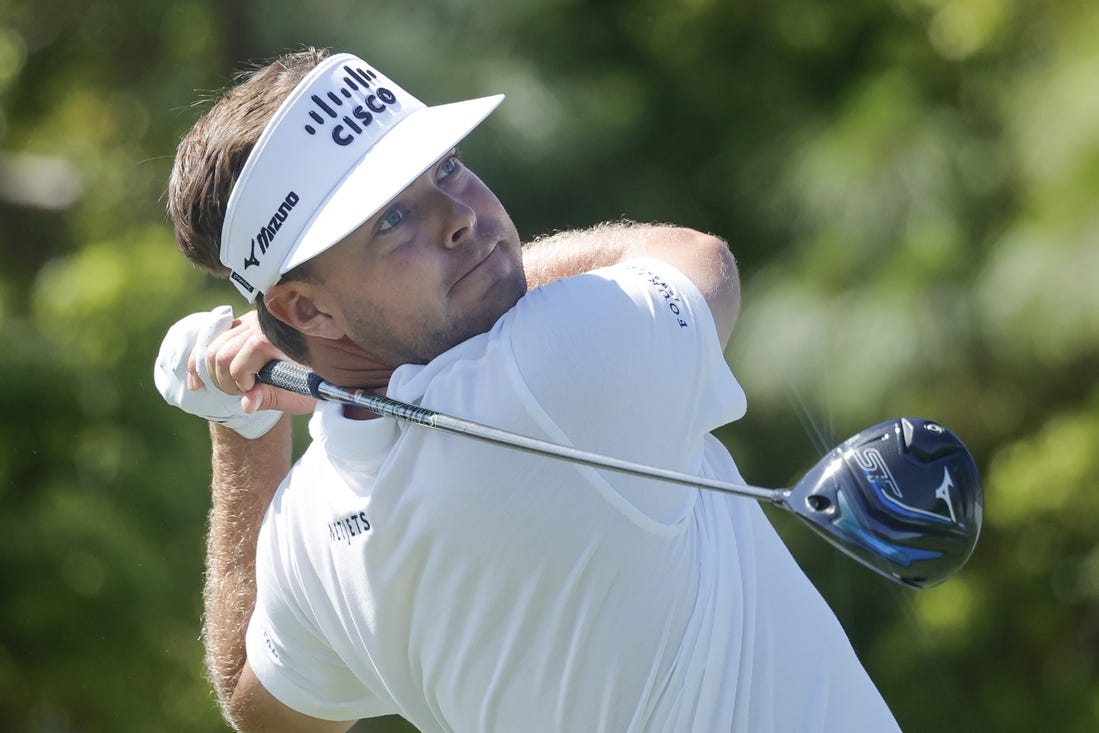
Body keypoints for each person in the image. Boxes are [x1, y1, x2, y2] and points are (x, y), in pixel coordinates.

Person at [154, 47, 901, 732]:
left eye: (446, 168)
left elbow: (260, 710)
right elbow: (696, 259)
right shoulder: (556, 367)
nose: (462, 217)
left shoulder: (307, 532)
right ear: (304, 308)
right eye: (392, 218)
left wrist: (239, 429)